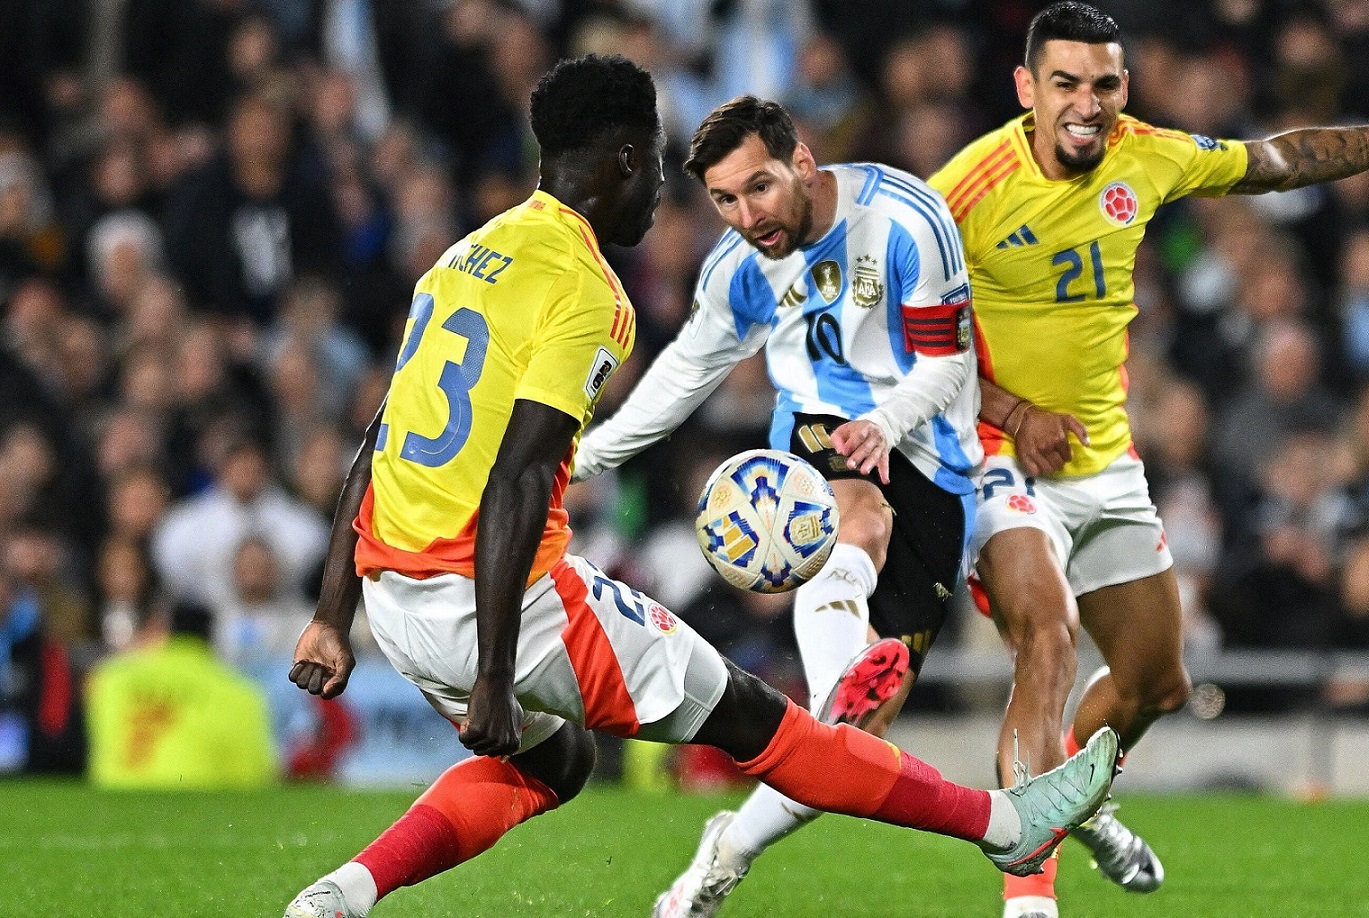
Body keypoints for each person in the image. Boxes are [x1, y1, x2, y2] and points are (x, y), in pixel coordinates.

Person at [281, 56, 1119, 918]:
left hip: (394, 598)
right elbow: (521, 478)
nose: (665, 200)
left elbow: (375, 446)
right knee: (766, 725)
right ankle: (1002, 823)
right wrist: (495, 671)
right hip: (504, 610)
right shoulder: (586, 288)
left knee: (556, 762)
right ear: (625, 162)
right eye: (656, 162)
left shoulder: (462, 258)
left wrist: (328, 616)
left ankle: (343, 894)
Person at [925, 5, 1369, 917]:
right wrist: (1009, 409)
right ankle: (1030, 898)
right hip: (993, 455)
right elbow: (903, 342)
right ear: (1025, 89)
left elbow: (1287, 158)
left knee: (1157, 681)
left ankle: (1075, 799)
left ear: (1123, 87)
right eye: (1065, 84)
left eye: (1104, 84)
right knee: (1046, 643)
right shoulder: (961, 193)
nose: (1088, 104)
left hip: (1102, 459)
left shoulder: (1146, 151)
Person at [570, 94, 984, 918]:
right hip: (820, 432)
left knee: (850, 752)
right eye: (725, 200)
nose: (746, 215)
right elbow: (687, 371)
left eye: (758, 188)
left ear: (803, 161)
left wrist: (887, 421)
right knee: (855, 513)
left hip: (932, 447)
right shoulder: (737, 270)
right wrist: (588, 454)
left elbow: (946, 365)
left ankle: (725, 850)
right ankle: (838, 682)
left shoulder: (906, 219)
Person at [84, 600, 277, 789]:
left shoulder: (110, 678)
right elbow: (254, 777)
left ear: (165, 631)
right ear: (211, 636)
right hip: (200, 805)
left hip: (115, 799)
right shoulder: (243, 694)